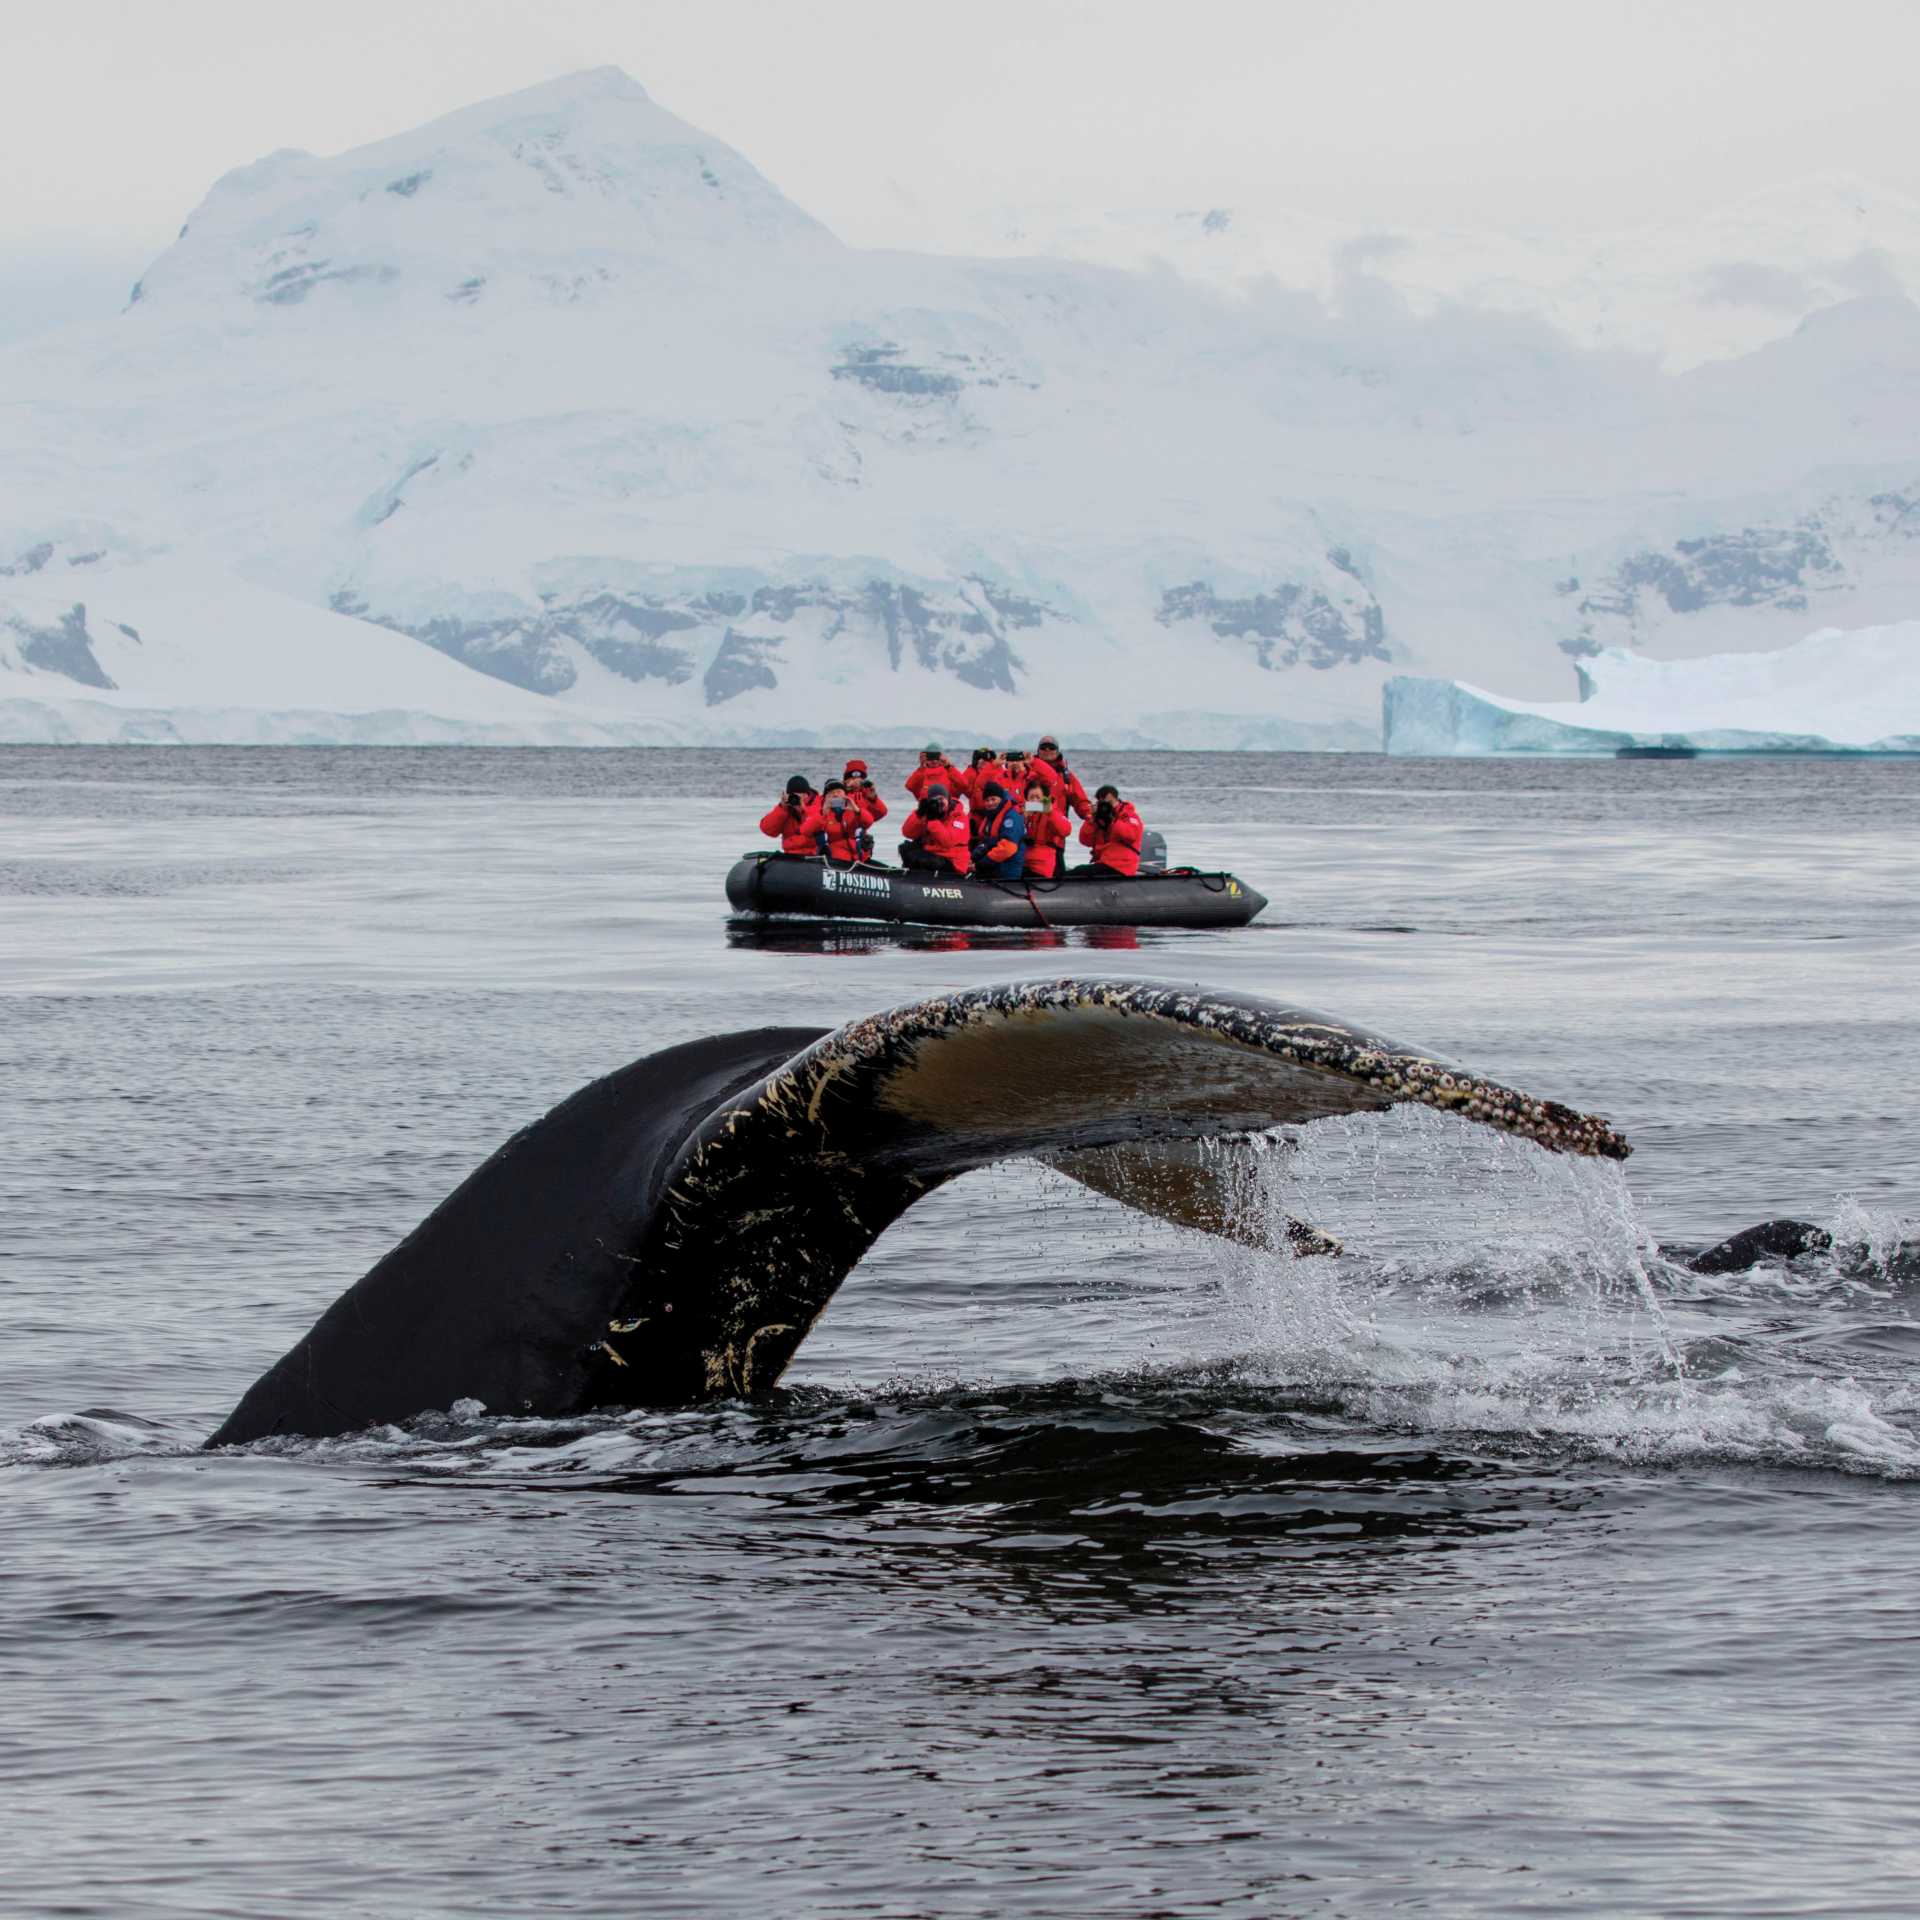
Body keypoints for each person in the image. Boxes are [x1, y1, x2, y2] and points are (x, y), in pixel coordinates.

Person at [898, 785, 971, 875]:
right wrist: (919, 813)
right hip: (934, 853)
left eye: (941, 799)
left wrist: (933, 821)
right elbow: (907, 833)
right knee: (905, 848)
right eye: (934, 800)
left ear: (948, 799)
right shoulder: (929, 813)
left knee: (922, 858)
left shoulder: (959, 817)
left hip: (953, 861)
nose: (938, 803)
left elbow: (947, 842)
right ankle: (910, 876)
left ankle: (922, 879)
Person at [1075, 783, 1144, 877]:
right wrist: (1092, 819)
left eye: (1106, 802)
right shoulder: (1099, 818)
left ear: (1114, 798)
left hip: (1122, 865)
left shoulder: (1128, 815)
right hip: (1105, 862)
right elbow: (1085, 840)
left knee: (1078, 872)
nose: (1104, 806)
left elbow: (1131, 835)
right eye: (1101, 802)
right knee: (1077, 871)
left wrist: (1112, 820)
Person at [970, 779, 1028, 880]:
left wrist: (982, 864)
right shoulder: (991, 816)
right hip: (995, 867)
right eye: (987, 800)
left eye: (993, 799)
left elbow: (1008, 848)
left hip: (1008, 870)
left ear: (1001, 799)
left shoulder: (1011, 816)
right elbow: (987, 842)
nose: (990, 803)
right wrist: (972, 858)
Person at [1019, 778, 1071, 879]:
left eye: (1038, 797)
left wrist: (1050, 812)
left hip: (1042, 863)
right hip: (1023, 859)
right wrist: (1022, 817)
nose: (1034, 801)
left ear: (1045, 799)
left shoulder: (1053, 812)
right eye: (1031, 798)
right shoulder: (1021, 811)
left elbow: (1065, 831)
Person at [759, 775, 822, 856]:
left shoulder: (819, 805)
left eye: (800, 795)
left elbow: (819, 825)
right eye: (793, 796)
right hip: (790, 857)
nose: (795, 799)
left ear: (807, 795)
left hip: (815, 855)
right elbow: (768, 830)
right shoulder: (786, 809)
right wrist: (782, 808)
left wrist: (804, 810)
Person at [1033, 735, 1092, 818]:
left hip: (1058, 825)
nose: (1047, 750)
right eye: (1043, 747)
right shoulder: (1029, 773)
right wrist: (1044, 808)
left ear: (1057, 751)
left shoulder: (1066, 776)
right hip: (1033, 825)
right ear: (1038, 751)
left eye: (1051, 747)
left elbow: (1080, 800)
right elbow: (1020, 803)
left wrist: (1089, 814)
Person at [813, 779, 869, 864]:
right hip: (835, 860)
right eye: (831, 793)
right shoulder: (820, 811)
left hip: (858, 858)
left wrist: (857, 810)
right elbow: (806, 829)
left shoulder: (853, 808)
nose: (835, 795)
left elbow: (869, 822)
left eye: (839, 792)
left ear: (845, 794)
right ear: (825, 797)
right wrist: (823, 813)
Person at [842, 759, 886, 861]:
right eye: (853, 778)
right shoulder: (839, 792)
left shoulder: (867, 796)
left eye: (860, 779)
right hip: (842, 843)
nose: (857, 781)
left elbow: (881, 813)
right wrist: (847, 789)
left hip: (861, 843)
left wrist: (873, 798)